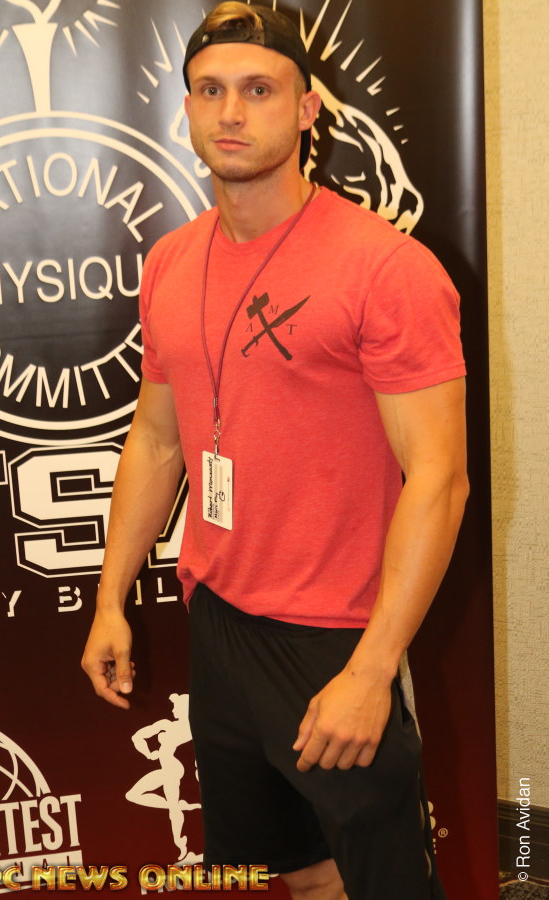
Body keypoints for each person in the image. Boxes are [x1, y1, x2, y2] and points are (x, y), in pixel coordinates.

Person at [81, 4, 469, 898]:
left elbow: (440, 481)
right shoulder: (170, 261)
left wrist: (372, 670)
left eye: (259, 90)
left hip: (339, 633)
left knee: (387, 885)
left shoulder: (385, 268)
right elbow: (157, 439)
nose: (231, 113)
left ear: (306, 109)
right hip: (221, 617)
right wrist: (109, 599)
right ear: (185, 108)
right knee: (299, 874)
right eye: (210, 91)